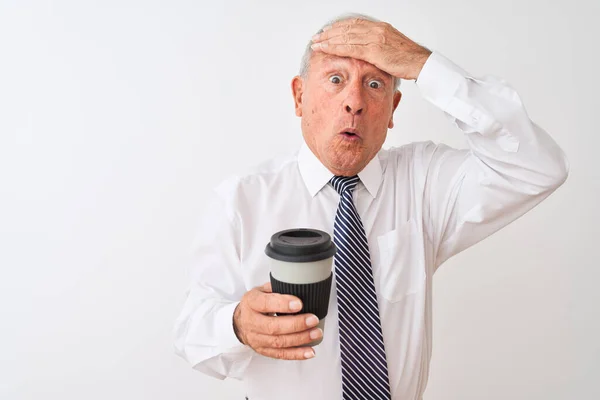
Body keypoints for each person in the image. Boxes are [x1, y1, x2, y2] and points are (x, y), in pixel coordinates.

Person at [173, 13, 568, 400]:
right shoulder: (241, 200)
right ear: (299, 96)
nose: (355, 102)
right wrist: (238, 324)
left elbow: (538, 167)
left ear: (394, 108)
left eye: (375, 84)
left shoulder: (423, 182)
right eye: (335, 79)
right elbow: (191, 332)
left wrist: (424, 64)